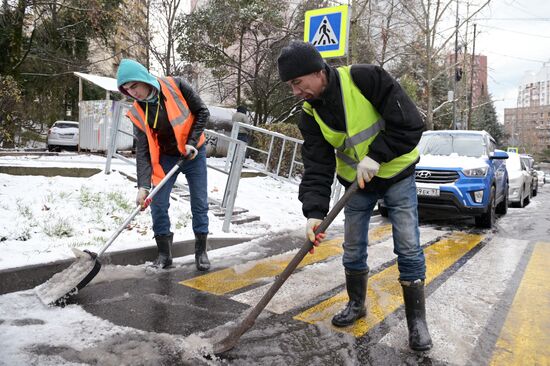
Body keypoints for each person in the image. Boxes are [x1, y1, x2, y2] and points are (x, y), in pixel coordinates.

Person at [277, 41, 432, 351]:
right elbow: (317, 166)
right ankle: (357, 304)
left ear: (318, 72)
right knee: (352, 247)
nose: (295, 91)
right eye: (291, 85)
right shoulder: (310, 115)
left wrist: (377, 155)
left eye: (297, 82)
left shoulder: (365, 79)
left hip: (396, 172)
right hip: (356, 185)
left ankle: (417, 321)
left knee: (408, 245)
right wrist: (314, 213)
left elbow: (412, 124)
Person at [116, 59, 211, 271]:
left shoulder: (176, 85)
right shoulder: (138, 112)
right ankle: (164, 254)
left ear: (143, 79)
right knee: (157, 203)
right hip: (167, 157)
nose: (133, 93)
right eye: (127, 90)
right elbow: (143, 150)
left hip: (193, 153)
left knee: (199, 202)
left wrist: (192, 142)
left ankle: (201, 251)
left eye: (134, 86)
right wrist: (143, 186)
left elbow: (202, 112)